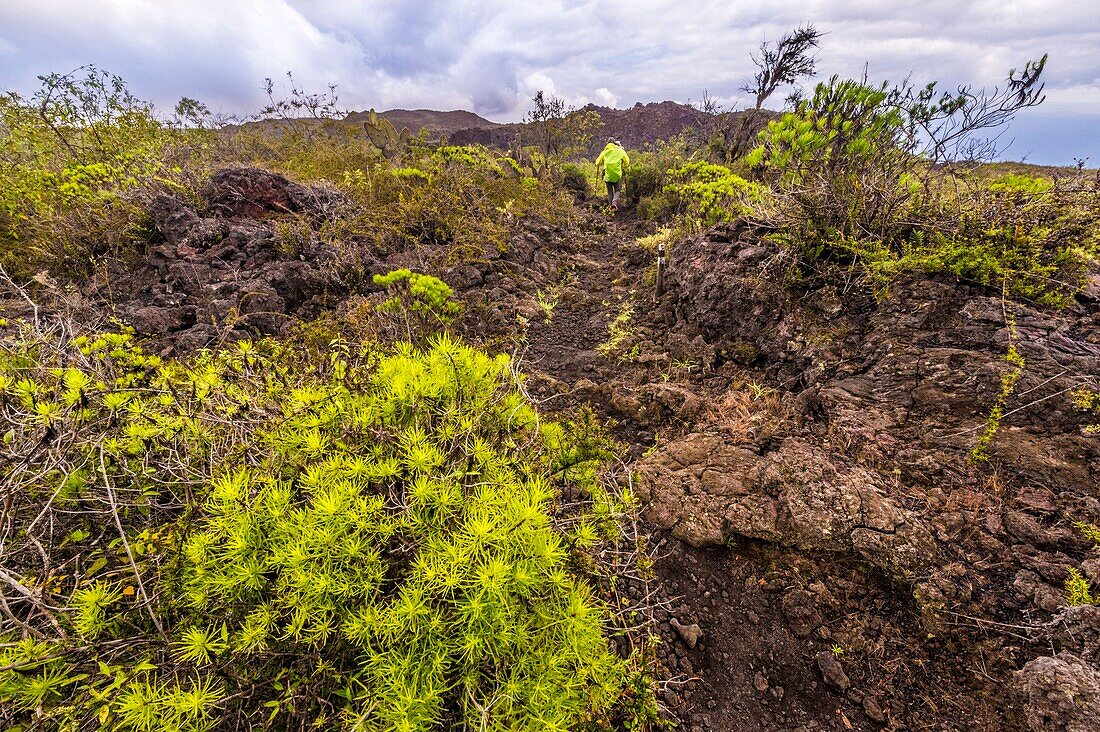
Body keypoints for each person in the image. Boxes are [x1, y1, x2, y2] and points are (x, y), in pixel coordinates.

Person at [595, 138, 629, 210]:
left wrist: (603, 162)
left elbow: (597, 163)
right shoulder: (620, 151)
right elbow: (627, 161)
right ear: (614, 143)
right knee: (618, 190)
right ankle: (614, 203)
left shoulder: (605, 152)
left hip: (607, 175)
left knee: (610, 191)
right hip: (617, 174)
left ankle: (611, 207)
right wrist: (624, 167)